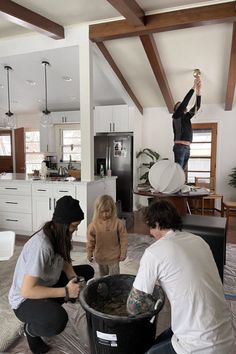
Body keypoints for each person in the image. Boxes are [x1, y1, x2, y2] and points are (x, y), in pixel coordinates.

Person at [127, 200, 235, 354]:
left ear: (157, 224)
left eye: (150, 227)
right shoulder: (199, 241)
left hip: (199, 346)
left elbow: (133, 307)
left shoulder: (154, 252)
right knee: (159, 341)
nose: (150, 233)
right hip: (227, 336)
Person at [9, 196, 94, 354]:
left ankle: (49, 305)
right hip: (24, 300)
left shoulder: (60, 235)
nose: (75, 230)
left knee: (87, 272)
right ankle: (31, 330)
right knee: (58, 320)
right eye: (74, 226)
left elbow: (64, 261)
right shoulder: (41, 246)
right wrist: (66, 291)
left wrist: (73, 279)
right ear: (63, 224)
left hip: (46, 283)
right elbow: (27, 291)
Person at [87, 194, 128, 276]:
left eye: (107, 211)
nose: (105, 214)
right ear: (97, 211)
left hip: (114, 257)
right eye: (102, 212)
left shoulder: (118, 223)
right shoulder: (93, 225)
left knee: (115, 278)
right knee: (103, 278)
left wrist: (123, 253)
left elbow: (124, 239)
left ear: (112, 209)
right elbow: (90, 241)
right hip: (100, 256)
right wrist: (89, 252)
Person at [172, 78, 201, 170]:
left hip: (187, 147)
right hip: (179, 147)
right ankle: (175, 185)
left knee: (181, 172)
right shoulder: (176, 116)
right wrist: (193, 87)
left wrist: (199, 91)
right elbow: (185, 102)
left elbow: (197, 106)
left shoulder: (187, 116)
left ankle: (179, 185)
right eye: (179, 106)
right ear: (176, 109)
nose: (181, 106)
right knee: (178, 172)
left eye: (182, 106)